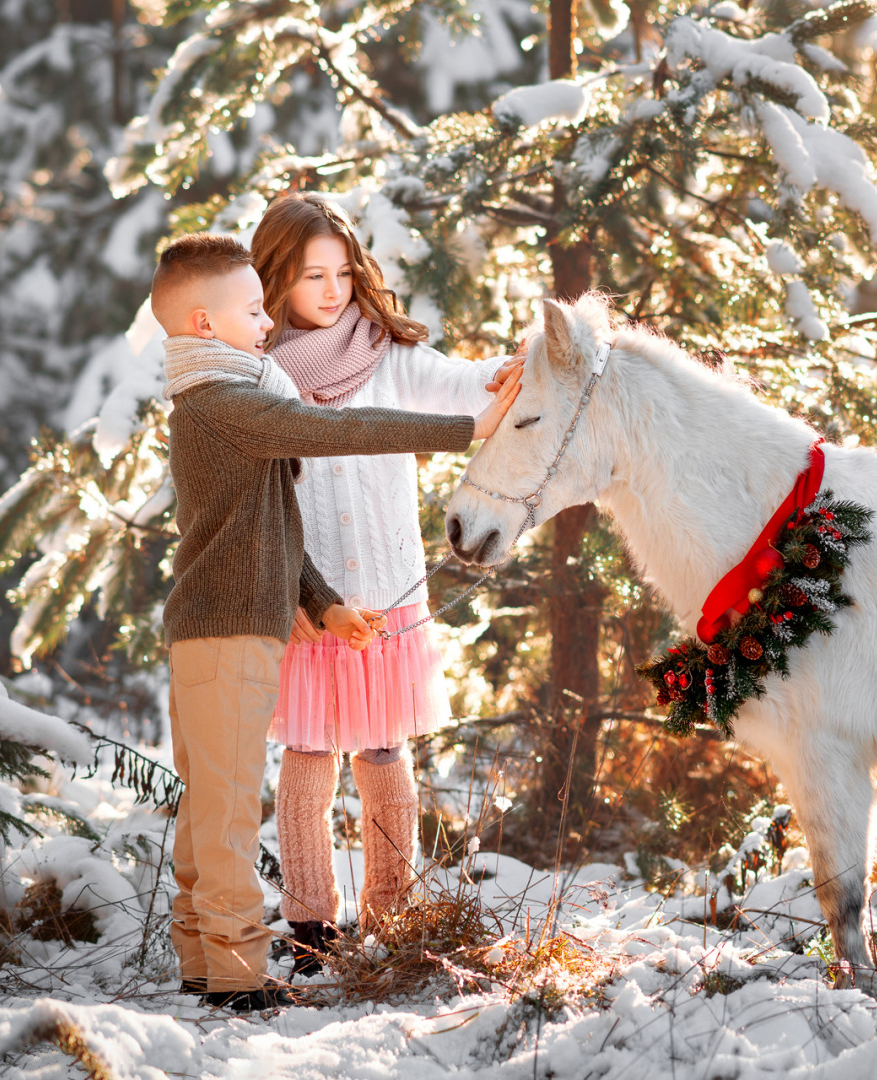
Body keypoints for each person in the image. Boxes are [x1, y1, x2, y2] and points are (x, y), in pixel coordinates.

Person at [153, 232, 521, 1011]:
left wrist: (321, 606)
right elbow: (338, 431)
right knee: (226, 814)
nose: (266, 322)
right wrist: (468, 432)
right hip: (228, 633)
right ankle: (237, 975)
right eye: (253, 309)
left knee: (208, 809)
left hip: (227, 627)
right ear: (205, 324)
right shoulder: (227, 403)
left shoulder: (231, 393)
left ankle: (201, 961)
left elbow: (275, 530)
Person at [250, 193, 523, 975]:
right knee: (308, 752)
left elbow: (463, 387)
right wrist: (288, 592)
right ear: (276, 279)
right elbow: (253, 495)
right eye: (312, 276)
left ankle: (391, 915)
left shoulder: (385, 354)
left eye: (342, 273)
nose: (332, 291)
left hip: (388, 593)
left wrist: (514, 370)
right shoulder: (261, 374)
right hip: (311, 600)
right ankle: (309, 926)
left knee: (382, 749)